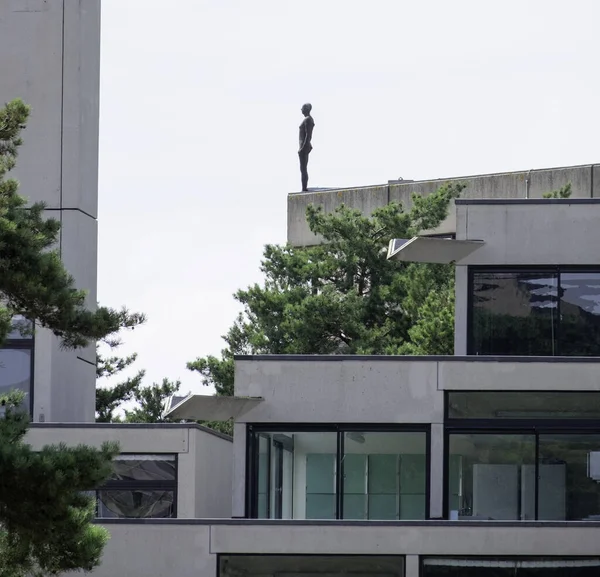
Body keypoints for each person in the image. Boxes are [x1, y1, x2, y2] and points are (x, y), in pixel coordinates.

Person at [298, 103, 315, 191]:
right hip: (303, 147)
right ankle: (303, 188)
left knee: (303, 168)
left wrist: (302, 148)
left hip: (304, 147)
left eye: (303, 108)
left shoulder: (308, 119)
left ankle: (304, 188)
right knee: (303, 168)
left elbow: (308, 135)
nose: (301, 110)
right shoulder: (307, 119)